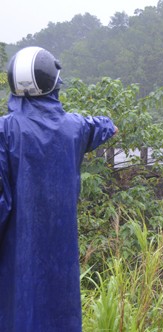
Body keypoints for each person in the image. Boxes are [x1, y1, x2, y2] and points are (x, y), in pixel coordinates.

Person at [0, 46, 117, 331]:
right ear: (54, 83)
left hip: (16, 258)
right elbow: (105, 126)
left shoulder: (4, 131)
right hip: (60, 259)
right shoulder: (74, 128)